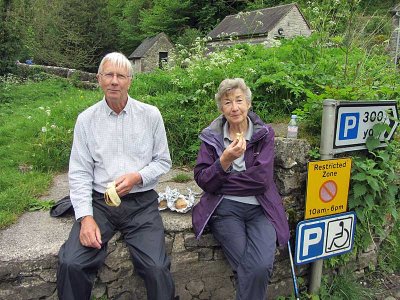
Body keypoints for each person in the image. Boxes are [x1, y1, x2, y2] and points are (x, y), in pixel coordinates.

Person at [57, 52, 176, 300]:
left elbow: (163, 161)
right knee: (71, 263)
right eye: (108, 75)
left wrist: (138, 177)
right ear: (99, 79)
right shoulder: (86, 120)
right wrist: (85, 217)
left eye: (120, 76)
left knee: (156, 267)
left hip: (141, 203)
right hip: (100, 203)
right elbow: (79, 173)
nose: (114, 81)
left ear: (129, 81)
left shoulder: (150, 115)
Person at [192, 78, 290, 300]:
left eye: (239, 100)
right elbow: (203, 179)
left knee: (260, 265)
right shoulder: (212, 137)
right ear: (221, 108)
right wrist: (224, 160)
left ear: (248, 103)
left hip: (261, 209)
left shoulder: (264, 133)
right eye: (227, 102)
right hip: (225, 210)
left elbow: (261, 181)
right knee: (252, 268)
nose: (234, 107)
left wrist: (222, 182)